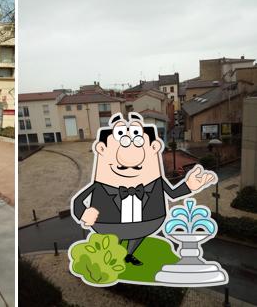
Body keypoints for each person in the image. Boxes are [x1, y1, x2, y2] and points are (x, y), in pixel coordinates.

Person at [71, 112, 215, 266]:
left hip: (147, 222)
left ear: (154, 148)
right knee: (114, 241)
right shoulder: (99, 186)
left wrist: (189, 186)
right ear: (101, 149)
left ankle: (128, 254)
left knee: (137, 236)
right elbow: (79, 200)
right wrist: (83, 213)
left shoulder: (156, 182)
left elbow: (172, 194)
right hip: (109, 223)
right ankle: (114, 254)